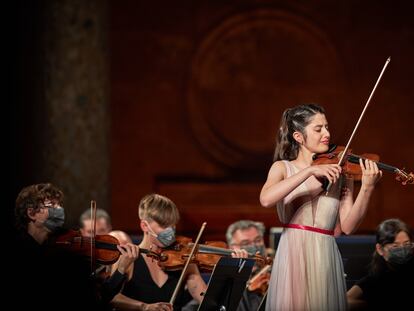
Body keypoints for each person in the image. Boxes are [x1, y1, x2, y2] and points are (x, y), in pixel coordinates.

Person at [259, 104, 382, 311]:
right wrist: (308, 173)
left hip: (325, 250)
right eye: (318, 129)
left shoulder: (340, 170)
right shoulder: (283, 168)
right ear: (298, 137)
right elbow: (266, 199)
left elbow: (349, 226)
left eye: (326, 127)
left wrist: (367, 189)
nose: (327, 134)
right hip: (295, 249)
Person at [10, 182, 138, 310]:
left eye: (60, 205)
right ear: (32, 213)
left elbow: (98, 298)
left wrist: (121, 268)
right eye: (52, 205)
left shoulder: (67, 253)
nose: (59, 209)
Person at [110, 193, 247, 311]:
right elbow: (111, 297)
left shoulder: (184, 259)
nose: (171, 231)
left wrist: (232, 272)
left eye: (173, 225)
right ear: (144, 226)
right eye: (164, 225)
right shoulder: (129, 257)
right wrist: (144, 307)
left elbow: (207, 301)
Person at [346, 218, 413, 310]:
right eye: (395, 246)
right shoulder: (376, 277)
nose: (402, 250)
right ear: (380, 249)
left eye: (407, 244)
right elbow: (347, 301)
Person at [226, 220, 271, 311]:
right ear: (232, 248)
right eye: (245, 243)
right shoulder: (226, 277)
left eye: (258, 240)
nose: (254, 246)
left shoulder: (275, 271)